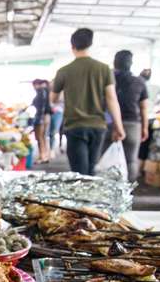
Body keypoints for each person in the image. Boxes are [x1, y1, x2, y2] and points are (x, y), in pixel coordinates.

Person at [51, 28, 125, 176]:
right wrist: (119, 126)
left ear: (72, 46)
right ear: (90, 44)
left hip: (74, 126)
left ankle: (81, 198)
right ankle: (91, 199)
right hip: (97, 127)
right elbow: (112, 99)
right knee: (91, 172)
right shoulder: (103, 69)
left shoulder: (64, 71)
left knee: (79, 174)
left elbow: (53, 99)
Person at [111, 50, 149, 181]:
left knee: (106, 158)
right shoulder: (139, 81)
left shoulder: (108, 79)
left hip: (111, 123)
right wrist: (145, 128)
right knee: (131, 160)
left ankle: (107, 190)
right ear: (131, 63)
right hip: (133, 124)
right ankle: (128, 189)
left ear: (114, 62)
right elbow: (144, 107)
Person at [30, 80, 51, 163]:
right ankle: (44, 155)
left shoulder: (41, 92)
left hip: (41, 117)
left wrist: (40, 118)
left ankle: (42, 156)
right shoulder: (46, 91)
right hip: (45, 116)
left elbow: (41, 106)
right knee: (43, 137)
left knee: (40, 137)